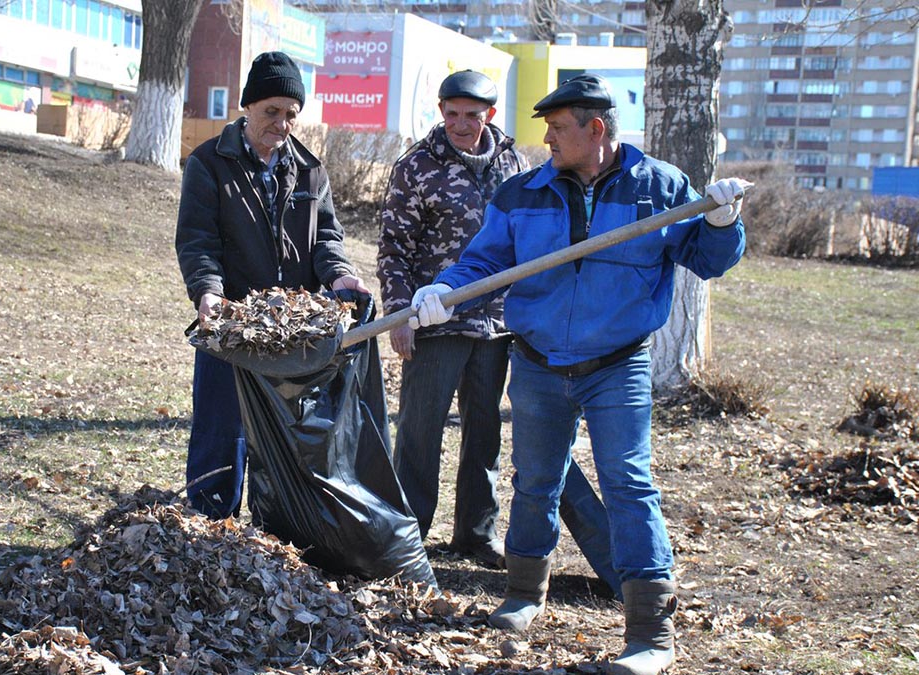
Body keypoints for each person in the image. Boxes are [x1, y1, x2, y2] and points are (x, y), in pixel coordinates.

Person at [409, 73, 749, 675]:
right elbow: (485, 260)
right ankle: (523, 594)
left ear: (596, 129)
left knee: (627, 482)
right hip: (538, 363)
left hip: (617, 364)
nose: (546, 138)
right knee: (536, 479)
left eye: (558, 127)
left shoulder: (659, 188)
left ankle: (650, 631)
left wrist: (722, 224)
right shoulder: (525, 193)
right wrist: (444, 289)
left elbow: (706, 259)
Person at [377, 70, 620, 594]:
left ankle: (474, 533)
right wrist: (401, 314)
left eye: (472, 114)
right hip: (435, 322)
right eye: (452, 114)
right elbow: (393, 250)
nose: (461, 124)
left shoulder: (515, 164)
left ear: (489, 115)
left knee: (484, 435)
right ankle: (410, 535)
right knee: (420, 432)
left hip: (497, 326)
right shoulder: (416, 167)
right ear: (440, 112)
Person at [175, 51, 369, 519]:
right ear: (247, 107)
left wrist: (338, 273)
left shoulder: (310, 170)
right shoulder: (209, 164)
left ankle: (278, 533)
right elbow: (199, 241)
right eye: (271, 112)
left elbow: (325, 238)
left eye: (291, 115)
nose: (282, 125)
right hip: (232, 324)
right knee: (222, 431)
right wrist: (209, 293)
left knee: (289, 435)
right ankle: (209, 531)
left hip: (292, 331)